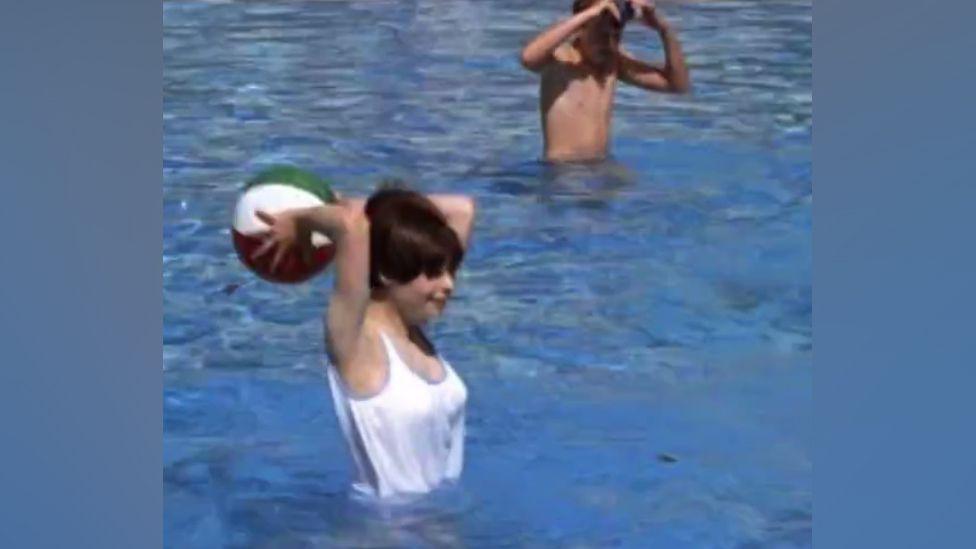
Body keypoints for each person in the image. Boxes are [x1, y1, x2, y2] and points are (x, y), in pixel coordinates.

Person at [252, 183, 476, 500]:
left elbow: (462, 208)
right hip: (386, 532)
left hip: (442, 526)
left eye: (449, 270)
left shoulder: (413, 332)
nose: (450, 284)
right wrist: (300, 220)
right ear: (386, 271)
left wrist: (376, 210)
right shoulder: (355, 343)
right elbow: (351, 225)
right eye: (434, 272)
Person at [520, 0, 691, 162]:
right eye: (600, 33)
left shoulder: (613, 62)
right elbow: (528, 58)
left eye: (615, 35)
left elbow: (678, 85)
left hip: (601, 167)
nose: (607, 42)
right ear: (581, 28)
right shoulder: (560, 60)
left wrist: (664, 29)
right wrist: (591, 13)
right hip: (563, 169)